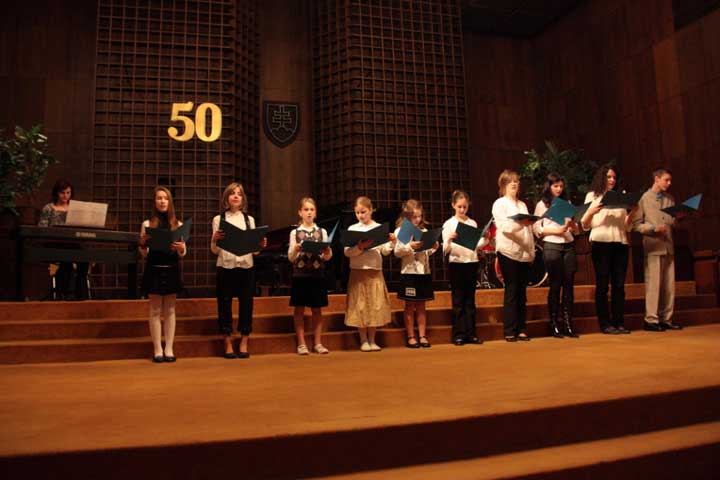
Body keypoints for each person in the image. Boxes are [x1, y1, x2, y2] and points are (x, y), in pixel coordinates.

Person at [211, 182, 266, 359]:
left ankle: (244, 340)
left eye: (239, 194)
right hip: (225, 266)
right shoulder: (219, 219)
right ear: (226, 198)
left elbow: (255, 251)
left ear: (243, 199)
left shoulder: (249, 220)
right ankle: (227, 341)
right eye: (232, 193)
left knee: (246, 304)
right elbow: (215, 250)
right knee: (224, 303)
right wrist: (214, 239)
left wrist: (260, 245)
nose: (236, 196)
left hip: (246, 266)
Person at [581, 165, 637, 335]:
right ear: (602, 178)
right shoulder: (592, 195)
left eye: (614, 177)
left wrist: (633, 212)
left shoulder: (621, 195)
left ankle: (618, 322)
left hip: (620, 242)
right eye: (608, 177)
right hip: (601, 243)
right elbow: (584, 224)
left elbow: (627, 226)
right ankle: (605, 323)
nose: (612, 180)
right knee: (603, 284)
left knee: (619, 285)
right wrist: (592, 211)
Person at [138, 186, 186, 363]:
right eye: (159, 198)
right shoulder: (147, 224)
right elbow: (144, 253)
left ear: (170, 202)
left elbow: (183, 253)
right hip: (154, 268)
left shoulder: (178, 224)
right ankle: (157, 349)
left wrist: (181, 248)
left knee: (171, 309)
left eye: (165, 198)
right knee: (155, 310)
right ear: (154, 201)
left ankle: (169, 348)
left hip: (171, 268)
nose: (162, 201)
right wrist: (142, 244)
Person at [632, 167, 683, 332]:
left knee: (669, 286)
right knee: (653, 284)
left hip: (668, 245)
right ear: (657, 179)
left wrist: (678, 218)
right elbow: (636, 224)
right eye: (666, 180)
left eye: (670, 180)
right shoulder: (644, 198)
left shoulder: (670, 198)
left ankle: (666, 319)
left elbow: (672, 222)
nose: (669, 183)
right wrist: (653, 229)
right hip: (653, 246)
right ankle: (651, 319)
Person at [344, 196, 396, 352]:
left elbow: (385, 251)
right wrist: (360, 247)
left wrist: (392, 242)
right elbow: (347, 252)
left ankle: (372, 339)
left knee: (374, 305)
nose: (360, 215)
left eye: (363, 212)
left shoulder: (378, 227)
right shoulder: (353, 228)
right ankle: (363, 339)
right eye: (358, 212)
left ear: (371, 210)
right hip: (358, 271)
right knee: (360, 306)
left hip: (374, 271)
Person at [533, 173, 580, 338]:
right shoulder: (542, 204)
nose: (559, 189)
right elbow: (537, 229)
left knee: (569, 284)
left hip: (568, 244)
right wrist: (557, 230)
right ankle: (554, 323)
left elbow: (576, 230)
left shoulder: (567, 203)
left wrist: (572, 225)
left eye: (561, 186)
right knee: (555, 284)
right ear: (549, 186)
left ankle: (568, 323)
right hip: (552, 244)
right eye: (555, 186)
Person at [492, 170, 536, 342]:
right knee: (511, 290)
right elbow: (504, 227)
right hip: (508, 251)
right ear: (503, 185)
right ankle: (510, 330)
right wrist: (521, 224)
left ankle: (522, 328)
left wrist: (531, 250)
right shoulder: (500, 204)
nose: (514, 184)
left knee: (522, 292)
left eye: (516, 181)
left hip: (524, 252)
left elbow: (529, 230)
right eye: (510, 181)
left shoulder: (522, 205)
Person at [442, 190, 488, 346]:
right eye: (459, 206)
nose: (462, 210)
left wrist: (485, 240)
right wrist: (449, 239)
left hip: (471, 262)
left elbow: (475, 245)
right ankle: (459, 334)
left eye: (465, 207)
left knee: (470, 300)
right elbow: (445, 250)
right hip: (456, 264)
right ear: (453, 205)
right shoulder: (449, 224)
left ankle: (471, 333)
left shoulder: (472, 223)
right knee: (458, 300)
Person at [288, 197, 333, 355]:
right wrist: (296, 250)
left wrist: (327, 252)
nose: (309, 212)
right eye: (306, 209)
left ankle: (318, 343)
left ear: (315, 213)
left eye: (312, 209)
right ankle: (301, 344)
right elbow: (290, 258)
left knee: (317, 309)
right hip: (300, 275)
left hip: (317, 274)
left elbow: (327, 257)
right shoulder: (295, 232)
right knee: (299, 309)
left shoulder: (322, 232)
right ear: (300, 212)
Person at [394, 199, 439, 348]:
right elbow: (397, 252)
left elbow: (426, 252)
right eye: (414, 217)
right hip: (409, 273)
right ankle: (411, 336)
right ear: (407, 216)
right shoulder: (402, 231)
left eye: (419, 216)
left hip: (423, 272)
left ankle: (422, 335)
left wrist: (433, 247)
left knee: (421, 305)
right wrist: (410, 246)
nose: (418, 219)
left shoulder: (423, 231)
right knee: (409, 305)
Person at [37, 179, 89, 300]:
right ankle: (66, 294)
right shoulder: (49, 208)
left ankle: (81, 294)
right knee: (66, 259)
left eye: (68, 193)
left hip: (72, 244)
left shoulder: (74, 209)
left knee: (84, 258)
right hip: (53, 244)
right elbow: (42, 228)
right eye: (62, 193)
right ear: (56, 193)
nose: (65, 196)